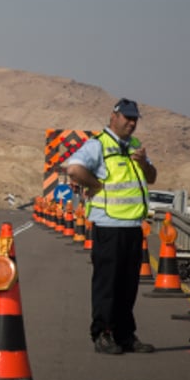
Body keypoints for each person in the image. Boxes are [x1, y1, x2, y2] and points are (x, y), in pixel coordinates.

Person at [65, 97, 158, 355]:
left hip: (132, 226)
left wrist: (144, 162)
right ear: (113, 117)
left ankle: (125, 334)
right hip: (109, 226)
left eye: (135, 119)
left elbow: (151, 177)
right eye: (127, 117)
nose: (131, 123)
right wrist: (94, 185)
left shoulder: (136, 146)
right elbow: (73, 169)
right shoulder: (99, 145)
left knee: (128, 286)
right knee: (107, 285)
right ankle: (103, 334)